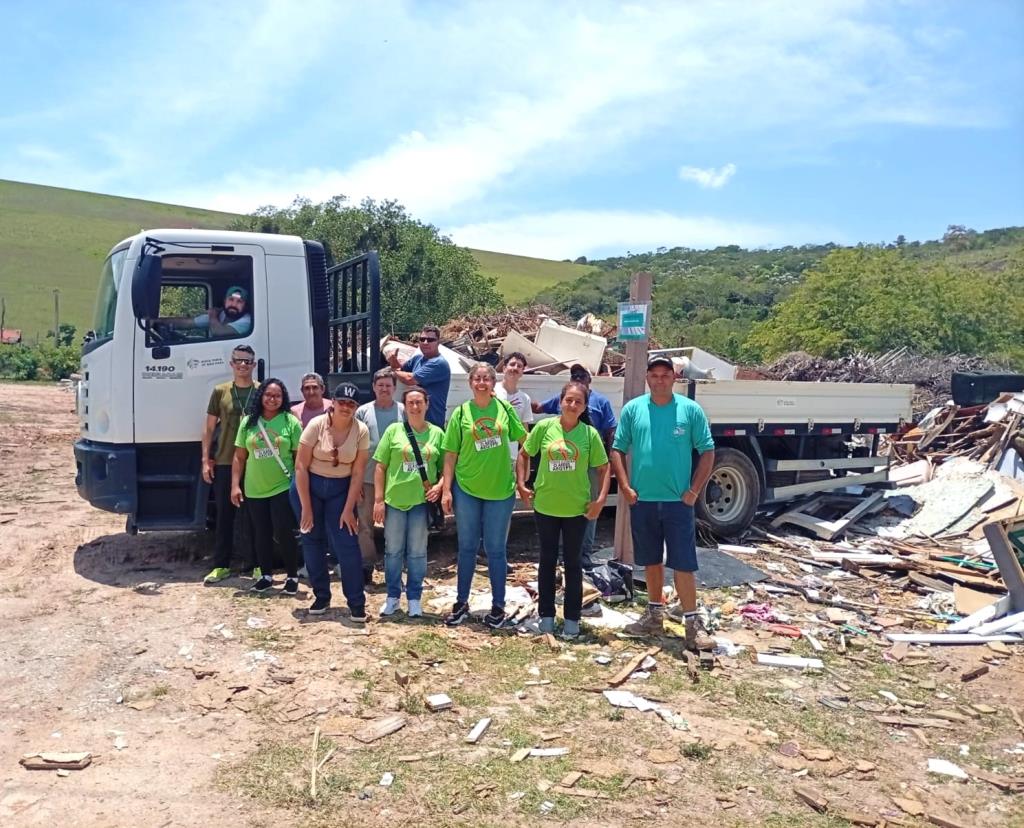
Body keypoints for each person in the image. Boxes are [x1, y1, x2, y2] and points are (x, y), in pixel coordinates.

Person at [609, 355, 716, 649]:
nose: (659, 380)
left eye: (665, 375)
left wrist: (693, 491)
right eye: (654, 375)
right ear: (647, 378)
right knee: (651, 560)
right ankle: (654, 615)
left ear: (674, 378)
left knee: (683, 562)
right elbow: (617, 449)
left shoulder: (690, 410)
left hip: (677, 502)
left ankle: (693, 624)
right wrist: (626, 487)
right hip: (642, 500)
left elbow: (707, 452)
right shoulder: (634, 410)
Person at [517, 381, 610, 639]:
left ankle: (572, 621)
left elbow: (604, 469)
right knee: (546, 561)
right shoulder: (545, 428)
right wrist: (522, 485)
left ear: (583, 407)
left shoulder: (589, 435)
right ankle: (546, 617)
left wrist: (600, 500)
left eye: (578, 401)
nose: (572, 405)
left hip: (576, 509)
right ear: (561, 402)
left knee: (573, 564)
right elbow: (525, 454)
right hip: (546, 505)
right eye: (568, 400)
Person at [441, 363, 527, 628]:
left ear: (493, 383)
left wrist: (523, 479)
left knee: (496, 550)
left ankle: (498, 606)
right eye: (477, 378)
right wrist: (446, 488)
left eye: (487, 379)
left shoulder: (504, 409)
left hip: (500, 490)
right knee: (466, 547)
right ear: (470, 383)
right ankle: (461, 602)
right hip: (467, 489)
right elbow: (450, 453)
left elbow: (526, 441)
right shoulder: (461, 413)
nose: (482, 383)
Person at [290, 383, 370, 620]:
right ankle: (321, 596)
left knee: (347, 543)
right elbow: (301, 466)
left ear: (356, 407)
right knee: (312, 541)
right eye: (342, 402)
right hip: (309, 487)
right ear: (332, 402)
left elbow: (358, 473)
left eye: (351, 404)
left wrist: (348, 509)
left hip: (340, 489)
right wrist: (306, 508)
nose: (346, 407)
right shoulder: (317, 425)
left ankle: (356, 602)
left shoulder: (361, 430)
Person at [532, 363, 617, 568]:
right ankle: (564, 551)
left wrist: (609, 458)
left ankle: (583, 553)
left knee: (589, 506)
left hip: (589, 462)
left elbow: (611, 429)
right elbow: (539, 408)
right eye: (574, 375)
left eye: (582, 375)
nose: (578, 378)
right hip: (563, 459)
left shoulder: (601, 402)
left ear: (590, 379)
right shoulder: (565, 398)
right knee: (563, 506)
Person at [372, 386, 444, 618]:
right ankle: (393, 596)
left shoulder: (437, 434)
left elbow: (446, 469)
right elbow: (380, 467)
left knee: (417, 552)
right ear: (405, 406)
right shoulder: (394, 431)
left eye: (419, 402)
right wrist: (378, 500)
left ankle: (414, 597)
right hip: (394, 502)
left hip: (420, 504)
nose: (415, 407)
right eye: (410, 403)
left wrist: (439, 487)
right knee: (392, 551)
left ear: (426, 404)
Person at [231, 378, 303, 594]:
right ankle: (266, 575)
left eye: (277, 396)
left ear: (283, 399)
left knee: (284, 532)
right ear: (261, 396)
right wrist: (235, 485)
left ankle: (292, 576)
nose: (272, 399)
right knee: (260, 532)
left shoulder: (290, 421)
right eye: (268, 395)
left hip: (282, 486)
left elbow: (299, 457)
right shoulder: (248, 423)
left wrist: (299, 485)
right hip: (254, 488)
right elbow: (239, 457)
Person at [202, 345, 260, 584]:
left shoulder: (262, 391)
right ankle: (221, 565)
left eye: (248, 362)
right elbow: (208, 428)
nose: (243, 365)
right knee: (225, 515)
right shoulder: (220, 392)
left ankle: (258, 564)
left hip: (257, 463)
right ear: (232, 364)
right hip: (226, 460)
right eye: (239, 361)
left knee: (256, 516)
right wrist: (206, 459)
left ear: (254, 365)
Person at [355, 368, 405, 584]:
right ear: (374, 387)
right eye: (380, 385)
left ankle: (394, 567)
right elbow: (354, 446)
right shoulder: (363, 412)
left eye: (388, 385)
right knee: (364, 525)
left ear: (394, 388)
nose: (384, 389)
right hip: (366, 478)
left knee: (395, 526)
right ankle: (367, 565)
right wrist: (354, 481)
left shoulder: (404, 410)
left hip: (397, 479)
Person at [388, 324, 451, 427]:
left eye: (430, 340)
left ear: (438, 342)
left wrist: (394, 370)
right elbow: (401, 370)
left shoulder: (439, 363)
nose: (425, 342)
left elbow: (410, 379)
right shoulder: (417, 359)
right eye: (422, 339)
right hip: (413, 423)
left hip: (432, 425)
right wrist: (393, 360)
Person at [171, 286, 253, 337]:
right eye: (231, 300)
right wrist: (159, 321)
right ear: (224, 302)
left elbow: (218, 332)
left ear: (245, 306)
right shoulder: (221, 314)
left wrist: (212, 314)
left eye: (239, 302)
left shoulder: (247, 321)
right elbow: (188, 323)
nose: (234, 304)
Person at [495, 351, 534, 461]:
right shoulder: (492, 391)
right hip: (490, 455)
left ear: (522, 372)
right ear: (504, 368)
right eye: (512, 364)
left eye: (519, 366)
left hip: (511, 457)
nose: (515, 368)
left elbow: (525, 432)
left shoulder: (524, 398)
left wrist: (526, 462)